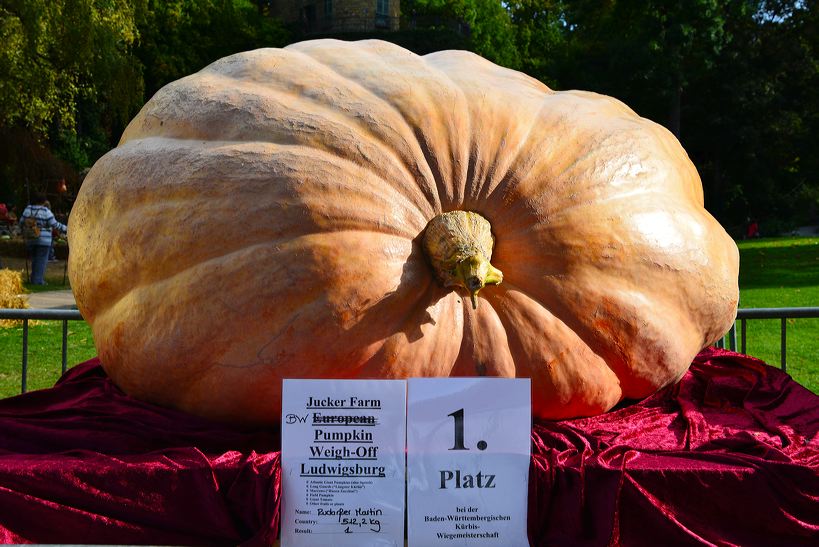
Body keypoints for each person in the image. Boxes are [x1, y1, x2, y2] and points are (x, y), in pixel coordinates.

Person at [19, 193, 67, 285]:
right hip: (44, 240)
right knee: (41, 260)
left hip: (31, 238)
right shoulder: (45, 211)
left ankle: (34, 278)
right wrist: (67, 228)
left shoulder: (28, 209)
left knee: (34, 259)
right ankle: (38, 280)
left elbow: (21, 222)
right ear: (43, 201)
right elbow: (55, 224)